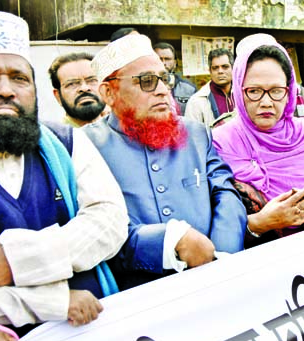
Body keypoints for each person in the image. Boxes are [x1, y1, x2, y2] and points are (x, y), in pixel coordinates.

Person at [0, 11, 128, 341]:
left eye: (19, 78)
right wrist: (51, 304)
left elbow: (109, 223)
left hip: (91, 334)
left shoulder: (68, 142)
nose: (5, 90)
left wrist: (19, 261)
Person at [85, 34, 246, 289]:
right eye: (146, 81)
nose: (162, 90)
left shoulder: (196, 134)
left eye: (164, 78)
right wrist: (168, 242)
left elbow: (225, 193)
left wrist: (221, 256)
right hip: (136, 298)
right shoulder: (86, 147)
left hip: (214, 282)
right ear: (108, 92)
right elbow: (92, 229)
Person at [212, 34, 304, 247]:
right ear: (239, 93)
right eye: (254, 91)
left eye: (277, 91)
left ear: (289, 93)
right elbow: (213, 224)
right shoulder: (221, 141)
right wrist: (261, 223)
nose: (267, 102)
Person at [48, 52, 107, 127]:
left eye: (92, 80)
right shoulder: (56, 137)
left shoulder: (122, 132)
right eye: (72, 84)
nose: (84, 88)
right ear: (58, 96)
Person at [185, 48, 235, 127]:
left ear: (233, 68)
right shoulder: (196, 102)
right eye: (215, 68)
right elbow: (193, 135)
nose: (220, 71)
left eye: (225, 67)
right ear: (210, 71)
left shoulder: (243, 94)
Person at [154, 42, 197, 116]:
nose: (163, 63)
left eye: (167, 59)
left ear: (174, 63)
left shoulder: (189, 89)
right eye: (159, 59)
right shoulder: (143, 87)